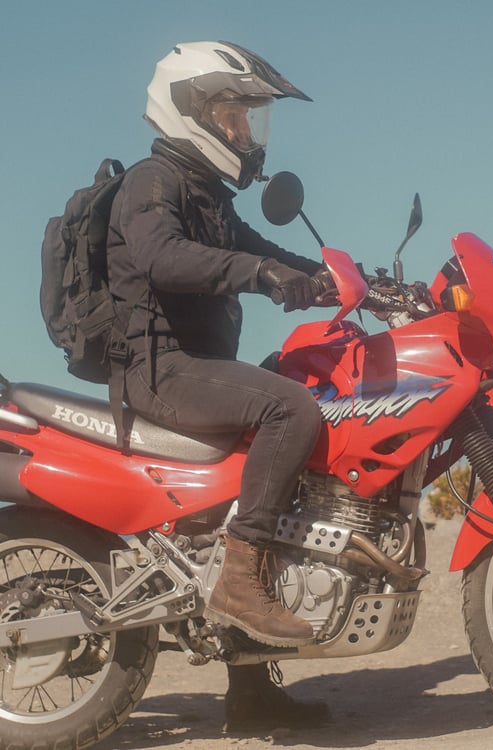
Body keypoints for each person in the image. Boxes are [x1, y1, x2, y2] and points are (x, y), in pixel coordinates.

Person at [106, 41, 330, 729]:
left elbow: (261, 251)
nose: (245, 134)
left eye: (246, 120)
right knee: (290, 409)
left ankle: (252, 689)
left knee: (303, 387)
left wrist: (341, 283)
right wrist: (262, 277)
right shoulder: (152, 181)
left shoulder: (204, 193)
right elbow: (161, 255)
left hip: (199, 369)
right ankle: (240, 582)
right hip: (161, 370)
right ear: (193, 112)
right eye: (234, 116)